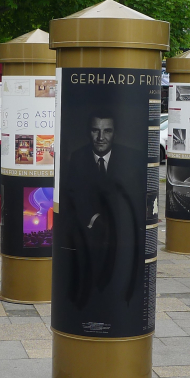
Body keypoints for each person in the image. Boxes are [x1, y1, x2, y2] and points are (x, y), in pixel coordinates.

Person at [59, 110, 146, 312]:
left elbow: (136, 196)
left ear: (115, 133)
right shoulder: (78, 157)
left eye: (107, 131)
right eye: (95, 130)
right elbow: (73, 196)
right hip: (90, 233)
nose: (100, 137)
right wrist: (95, 219)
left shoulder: (130, 157)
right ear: (88, 132)